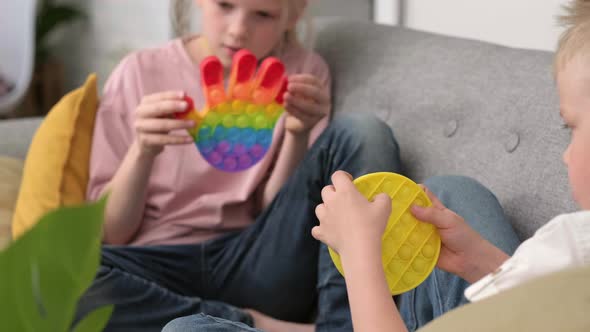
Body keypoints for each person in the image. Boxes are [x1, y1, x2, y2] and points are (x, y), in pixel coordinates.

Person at [75, 0, 404, 330]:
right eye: (225, 5)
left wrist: (298, 134)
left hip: (255, 259)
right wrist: (142, 151)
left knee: (363, 132)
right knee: (51, 273)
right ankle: (248, 324)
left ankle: (343, 324)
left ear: (294, 14)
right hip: (157, 268)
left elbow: (279, 208)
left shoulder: (302, 71)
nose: (238, 30)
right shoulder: (140, 72)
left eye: (263, 15)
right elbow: (113, 232)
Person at [310, 0, 590, 331]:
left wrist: (359, 253)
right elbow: (543, 309)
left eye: (572, 127)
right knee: (453, 191)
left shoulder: (575, 242)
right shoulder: (573, 249)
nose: (565, 154)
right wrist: (480, 260)